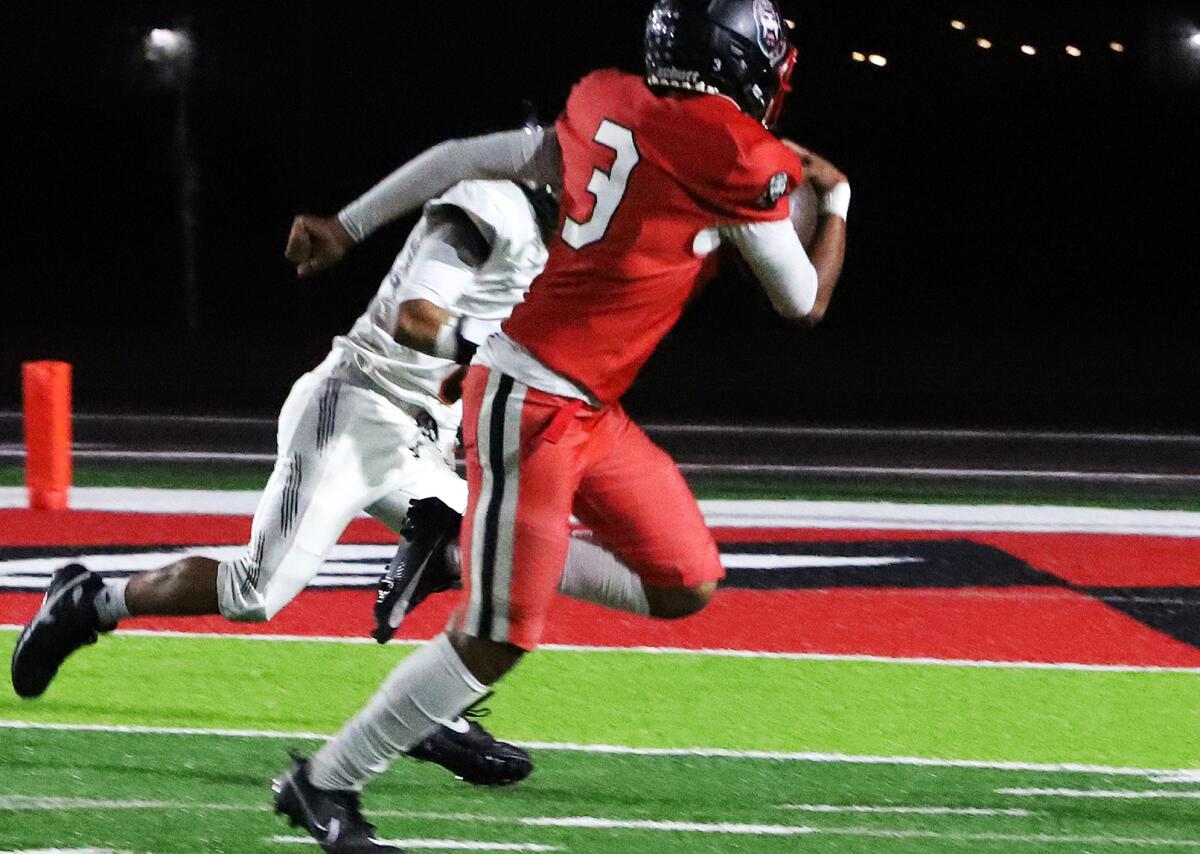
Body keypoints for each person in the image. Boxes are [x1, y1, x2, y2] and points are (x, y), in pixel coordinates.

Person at [271, 1, 851, 850]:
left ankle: (462, 547)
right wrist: (838, 201)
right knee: (497, 640)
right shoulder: (736, 156)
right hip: (530, 400)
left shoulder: (608, 99)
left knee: (684, 580)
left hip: (590, 408)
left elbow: (467, 156)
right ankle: (323, 785)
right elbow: (804, 302)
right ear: (744, 65)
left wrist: (350, 224)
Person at [9, 177, 556, 786]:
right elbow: (416, 319)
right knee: (254, 592)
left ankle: (430, 713)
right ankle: (89, 601)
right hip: (354, 414)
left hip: (419, 441)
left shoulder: (567, 244)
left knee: (504, 552)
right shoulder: (497, 207)